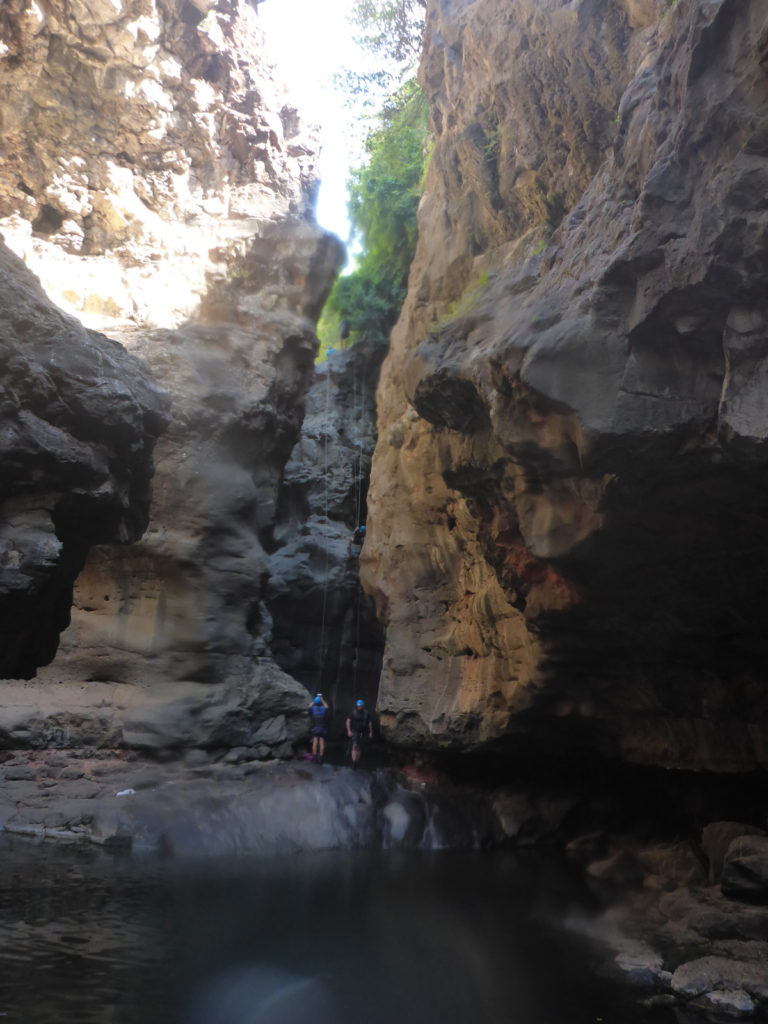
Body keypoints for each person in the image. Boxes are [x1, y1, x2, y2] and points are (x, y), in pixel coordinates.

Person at [346, 699, 373, 768]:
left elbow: (369, 723)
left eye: (360, 706)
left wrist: (370, 732)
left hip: (363, 732)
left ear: (363, 706)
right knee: (354, 746)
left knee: (359, 747)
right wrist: (349, 730)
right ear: (356, 706)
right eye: (358, 706)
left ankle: (357, 761)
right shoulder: (353, 713)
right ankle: (354, 762)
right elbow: (348, 721)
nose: (359, 707)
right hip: (355, 731)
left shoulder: (366, 713)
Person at [308, 693, 329, 763]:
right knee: (321, 742)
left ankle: (314, 757)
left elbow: (309, 706)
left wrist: (315, 699)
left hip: (315, 728)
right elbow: (326, 706)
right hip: (322, 729)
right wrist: (321, 699)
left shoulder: (313, 709)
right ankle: (321, 758)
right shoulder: (323, 709)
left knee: (315, 742)